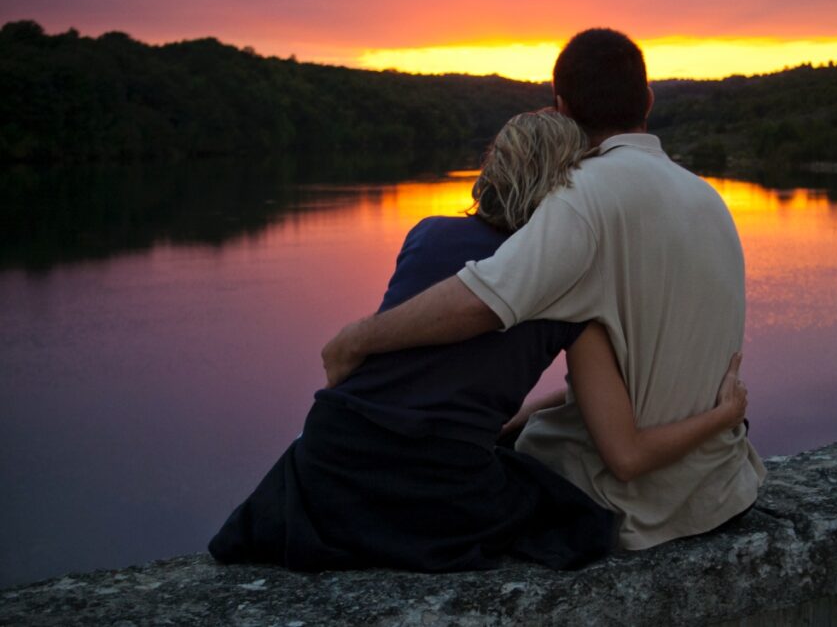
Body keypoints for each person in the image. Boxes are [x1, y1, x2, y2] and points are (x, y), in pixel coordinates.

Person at [209, 111, 749, 572]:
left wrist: (507, 423)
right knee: (576, 518)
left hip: (328, 460)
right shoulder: (568, 284)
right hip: (435, 485)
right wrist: (723, 415)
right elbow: (624, 452)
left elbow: (429, 376)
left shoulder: (426, 233)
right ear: (571, 184)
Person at [321, 28, 767, 551]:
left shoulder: (583, 197)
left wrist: (357, 339)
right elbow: (634, 376)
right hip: (720, 488)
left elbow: (482, 299)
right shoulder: (708, 199)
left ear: (560, 107)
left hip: (633, 505)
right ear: (647, 99)